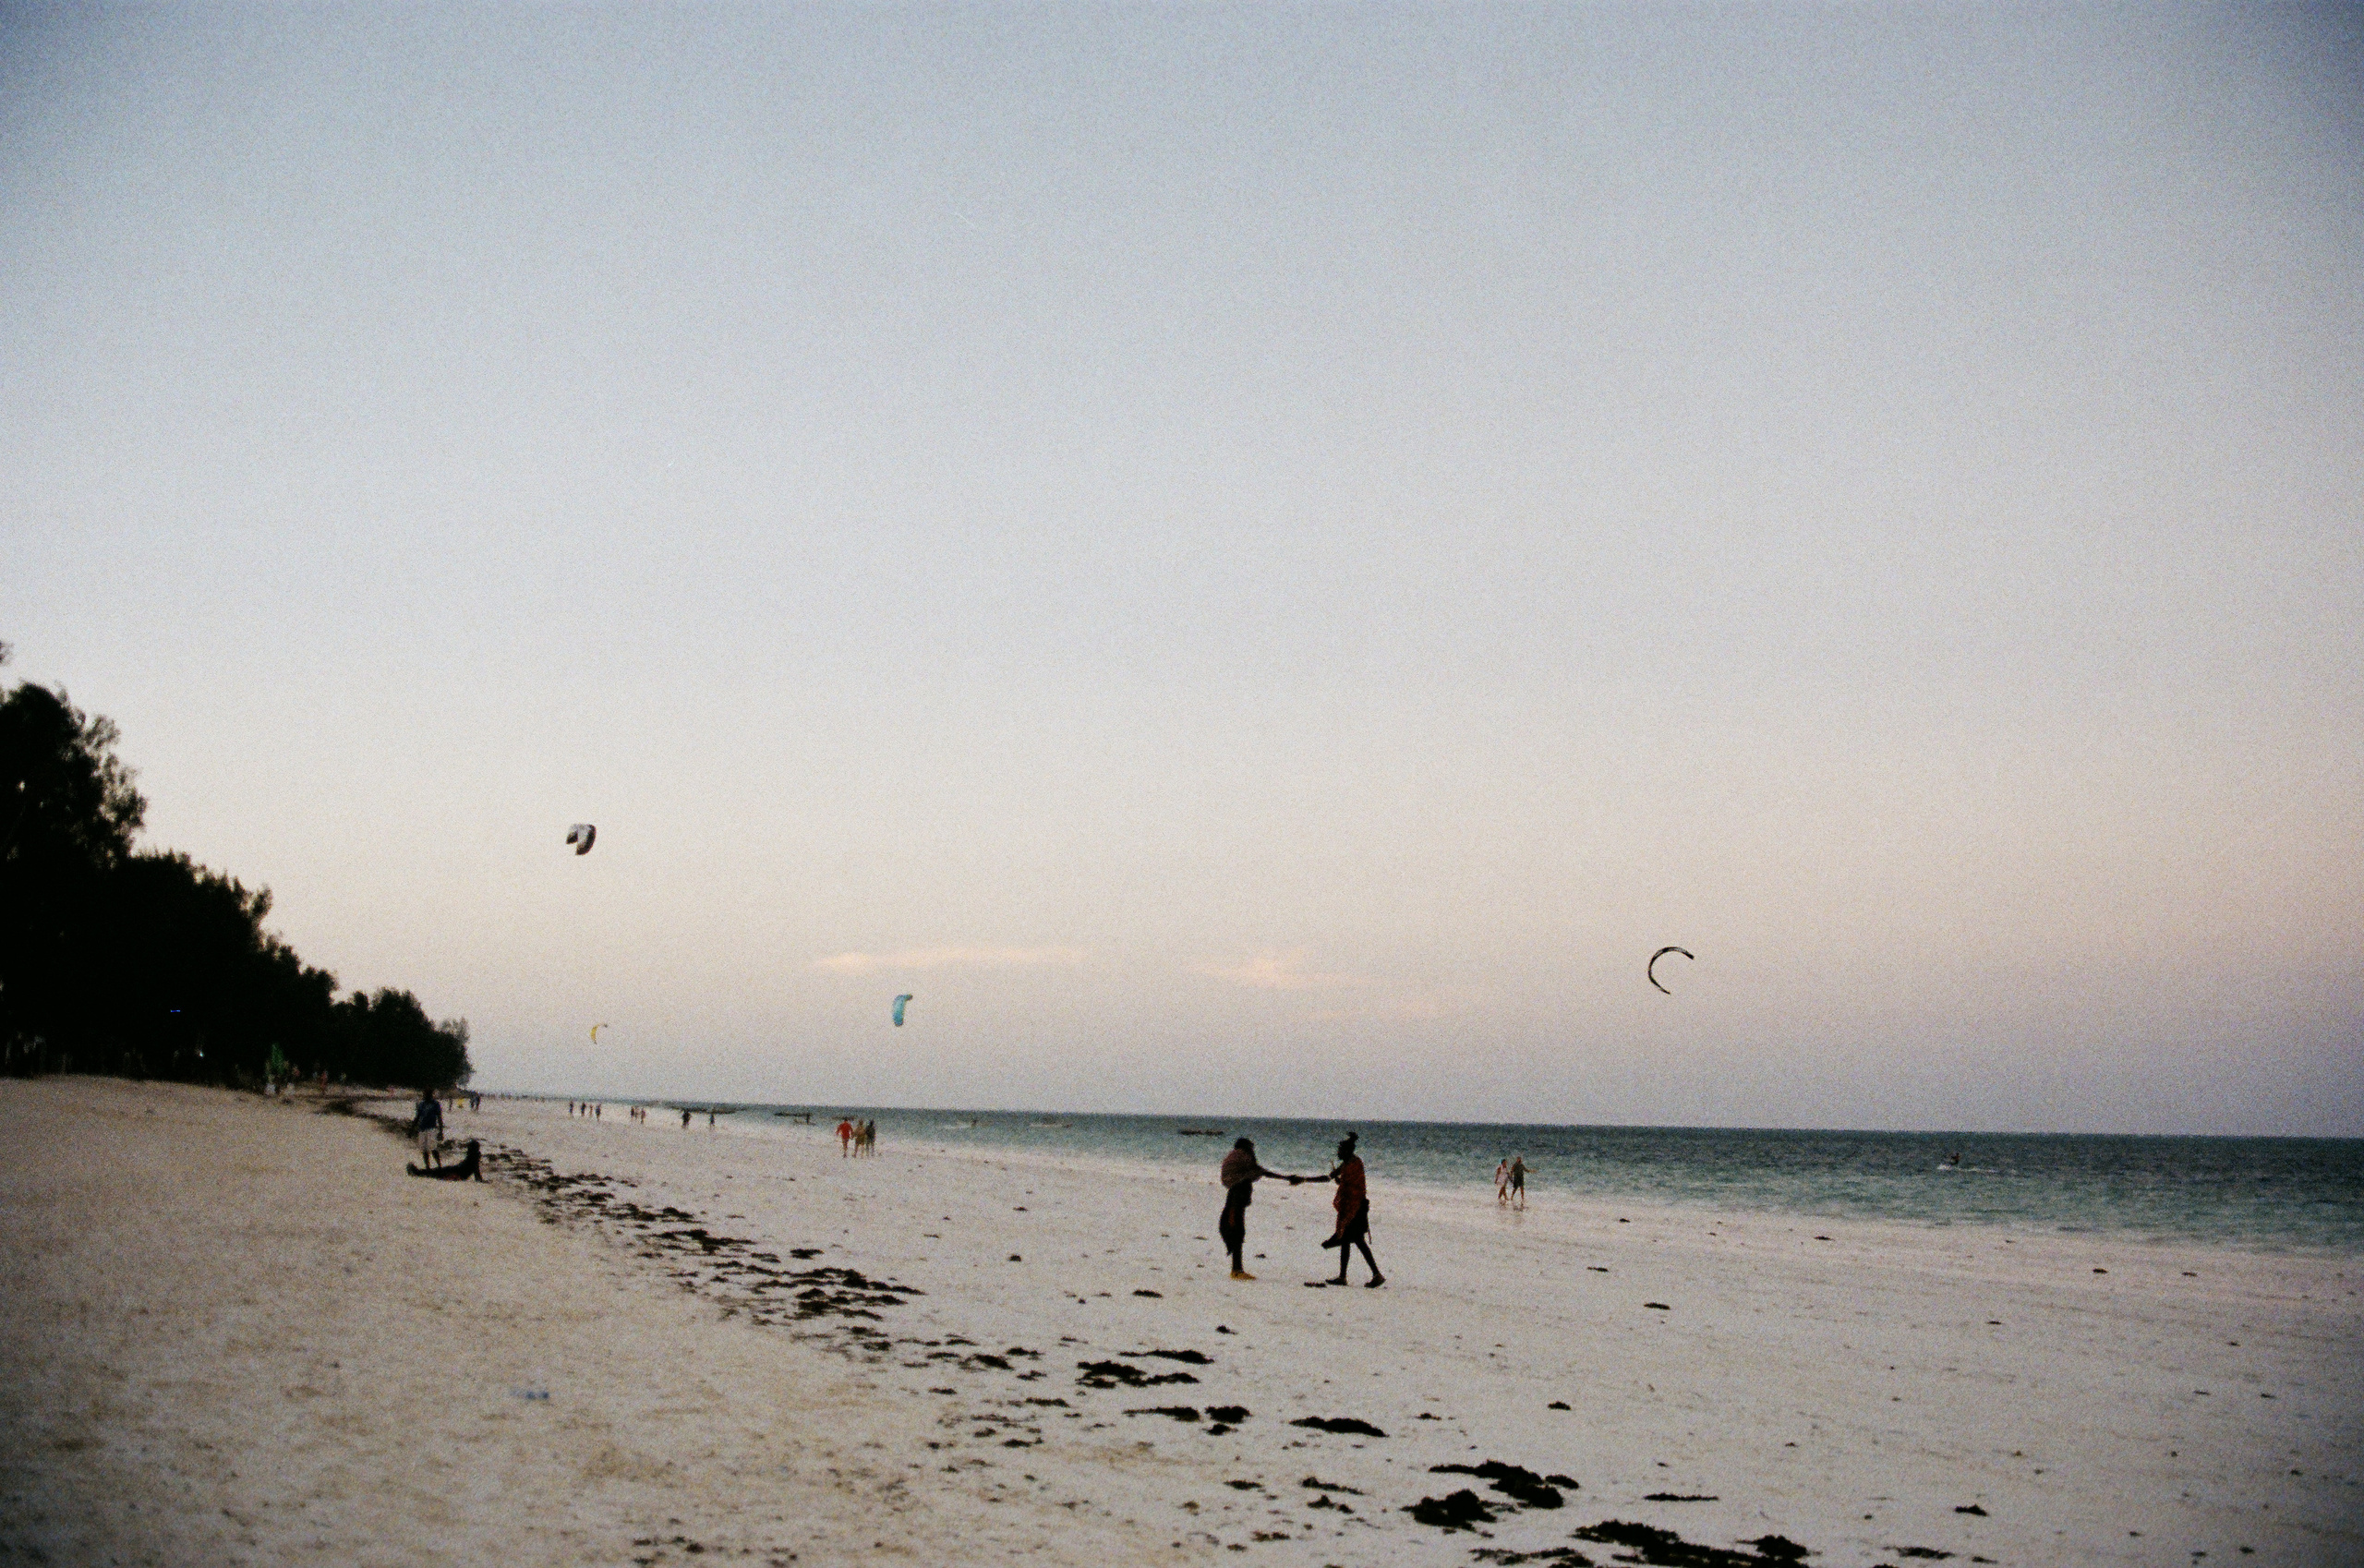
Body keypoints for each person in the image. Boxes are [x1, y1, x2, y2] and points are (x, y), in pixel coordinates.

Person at [1217, 1138, 1299, 1280]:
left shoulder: (1236, 1160)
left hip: (1236, 1202)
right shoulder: (1243, 1164)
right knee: (1238, 1233)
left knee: (1238, 1234)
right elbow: (1260, 1171)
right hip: (1236, 1204)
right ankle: (1237, 1271)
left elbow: (1258, 1171)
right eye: (1251, 1148)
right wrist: (1286, 1178)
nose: (1253, 1151)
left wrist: (1286, 1178)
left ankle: (1237, 1270)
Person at [1315, 1132, 1382, 1287]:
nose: (1338, 1153)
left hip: (1356, 1207)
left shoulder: (1354, 1164)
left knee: (1357, 1241)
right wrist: (1306, 1179)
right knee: (1348, 1240)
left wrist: (1341, 1182)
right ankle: (1344, 1276)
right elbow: (1330, 1177)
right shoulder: (1347, 1163)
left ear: (1346, 1151)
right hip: (1352, 1206)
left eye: (1340, 1151)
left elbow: (1352, 1187)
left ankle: (1375, 1274)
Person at [412, 1088, 445, 1169]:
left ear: (431, 1095)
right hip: (422, 1129)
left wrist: (441, 1132)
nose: (425, 1096)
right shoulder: (421, 1104)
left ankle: (439, 1165)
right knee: (424, 1149)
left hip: (432, 1129)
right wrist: (412, 1129)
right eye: (425, 1094)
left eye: (427, 1095)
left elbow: (439, 1118)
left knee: (433, 1148)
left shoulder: (436, 1104)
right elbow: (418, 1117)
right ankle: (427, 1167)